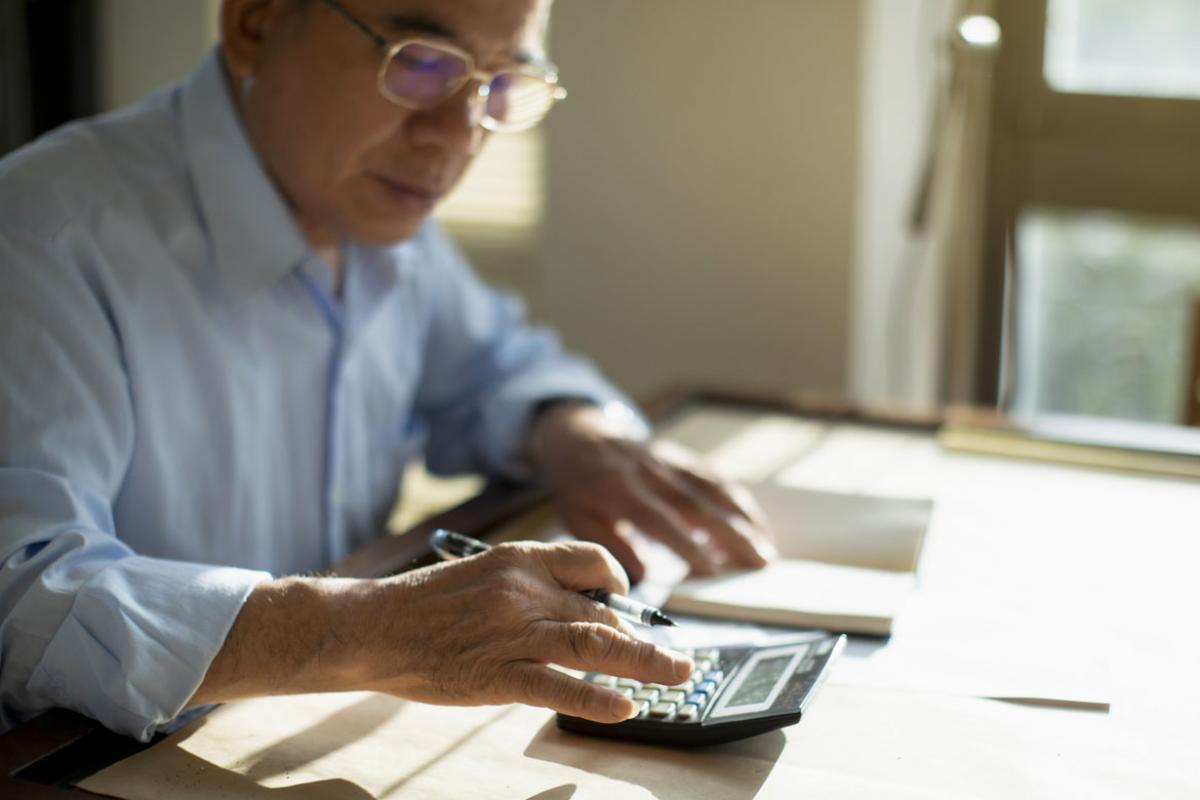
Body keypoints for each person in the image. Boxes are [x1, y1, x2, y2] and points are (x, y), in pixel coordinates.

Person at [0, 0, 776, 741]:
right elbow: (24, 593)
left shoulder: (370, 210)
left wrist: (575, 433)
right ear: (254, 23)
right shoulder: (44, 237)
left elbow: (496, 367)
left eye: (500, 84)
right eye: (421, 65)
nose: (458, 135)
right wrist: (368, 629)